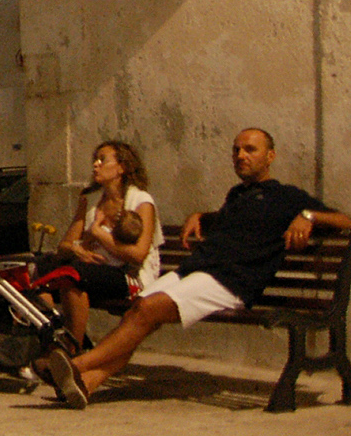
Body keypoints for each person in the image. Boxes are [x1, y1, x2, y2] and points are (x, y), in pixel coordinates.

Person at [46, 128, 351, 409]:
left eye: (250, 150)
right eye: (236, 150)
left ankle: (76, 365)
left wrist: (308, 216)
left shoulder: (287, 197)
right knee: (138, 314)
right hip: (194, 271)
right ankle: (86, 384)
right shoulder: (237, 195)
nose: (240, 156)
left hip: (229, 281)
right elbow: (226, 222)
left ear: (270, 156)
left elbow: (345, 221)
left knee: (145, 311)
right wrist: (200, 216)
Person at [37, 141, 162, 350]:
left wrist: (98, 233)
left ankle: (73, 351)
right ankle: (47, 343)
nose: (95, 164)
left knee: (73, 276)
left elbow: (138, 255)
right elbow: (65, 245)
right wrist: (76, 249)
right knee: (39, 270)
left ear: (121, 167)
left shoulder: (141, 202)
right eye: (95, 159)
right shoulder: (90, 199)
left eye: (102, 160)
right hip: (89, 271)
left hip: (128, 276)